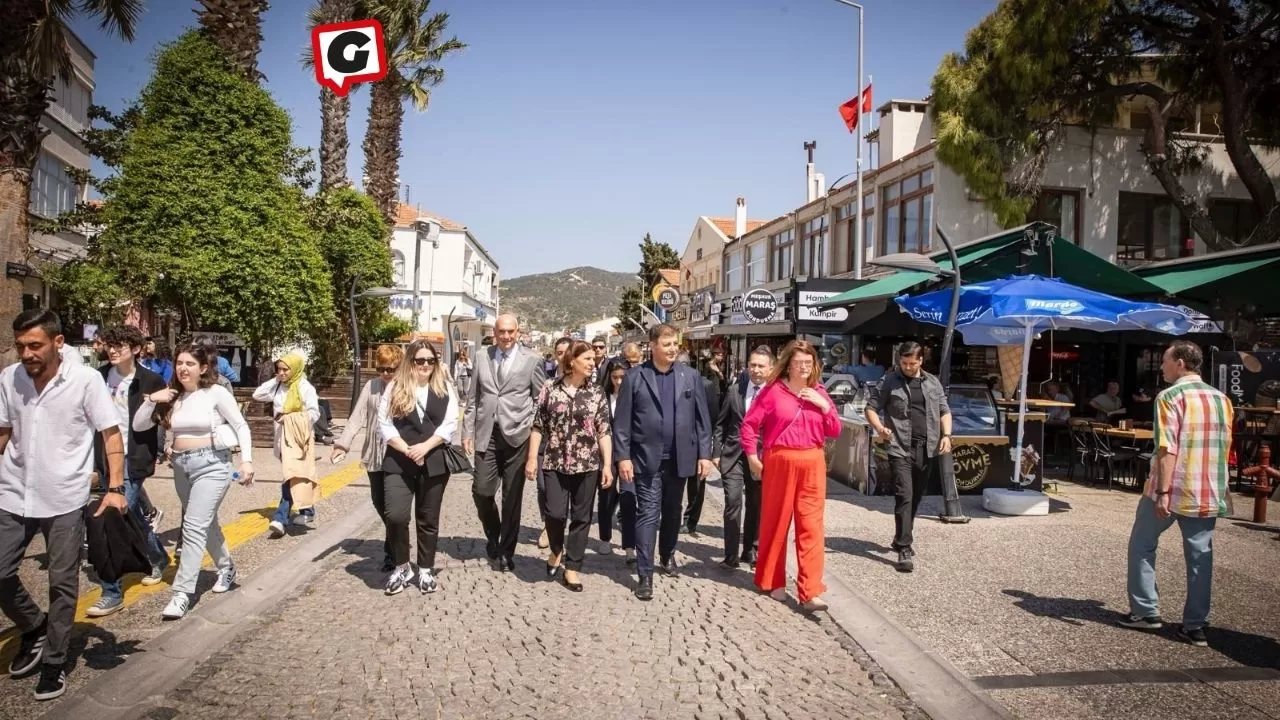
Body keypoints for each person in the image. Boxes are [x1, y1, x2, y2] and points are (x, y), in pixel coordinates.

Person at [0, 309, 127, 700]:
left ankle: (54, 662)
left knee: (62, 584)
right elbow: (4, 432)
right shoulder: (10, 378)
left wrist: (115, 487)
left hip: (65, 497)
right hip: (14, 490)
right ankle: (33, 626)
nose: (26, 354)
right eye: (21, 346)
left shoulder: (86, 381)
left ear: (57, 343)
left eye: (34, 345)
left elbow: (110, 435)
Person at [1122, 341, 1231, 647]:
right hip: (1208, 487)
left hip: (1174, 485)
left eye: (1166, 361)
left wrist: (1162, 491)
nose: (1161, 366)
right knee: (1200, 557)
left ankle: (1146, 612)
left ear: (1181, 363)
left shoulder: (1169, 397)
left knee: (1142, 545)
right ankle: (1195, 625)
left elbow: (1167, 448)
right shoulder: (1222, 398)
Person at [134, 343, 254, 621]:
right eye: (179, 363)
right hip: (181, 466)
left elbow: (240, 425)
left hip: (213, 464)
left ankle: (182, 592)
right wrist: (152, 399)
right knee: (206, 523)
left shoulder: (215, 393)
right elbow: (139, 425)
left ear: (203, 368)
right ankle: (227, 567)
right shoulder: (172, 396)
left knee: (193, 526)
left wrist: (246, 461)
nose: (183, 368)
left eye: (189, 363)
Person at [614, 324, 714, 601]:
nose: (672, 349)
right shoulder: (635, 377)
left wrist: (704, 454)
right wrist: (623, 456)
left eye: (675, 345)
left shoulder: (690, 376)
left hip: (680, 458)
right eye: (667, 344)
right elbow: (621, 422)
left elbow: (701, 419)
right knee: (648, 513)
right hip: (645, 459)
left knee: (673, 511)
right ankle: (645, 574)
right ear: (653, 345)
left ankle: (667, 553)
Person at [740, 340, 841, 612]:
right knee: (776, 522)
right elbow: (749, 426)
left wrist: (824, 405)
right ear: (788, 364)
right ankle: (774, 581)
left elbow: (834, 430)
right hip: (780, 459)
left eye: (809, 363)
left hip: (812, 461)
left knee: (811, 526)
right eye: (799, 363)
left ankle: (810, 590)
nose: (804, 367)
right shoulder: (773, 392)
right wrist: (752, 456)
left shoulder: (819, 391)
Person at [85, 325, 170, 619]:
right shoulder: (97, 377)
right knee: (131, 516)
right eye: (109, 345)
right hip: (103, 459)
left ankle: (111, 591)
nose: (112, 350)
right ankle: (158, 557)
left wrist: (155, 454)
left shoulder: (151, 379)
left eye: (119, 345)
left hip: (133, 460)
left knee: (112, 518)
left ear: (135, 349)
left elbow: (158, 421)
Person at [526, 340, 613, 592]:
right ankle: (556, 549)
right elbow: (538, 425)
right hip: (554, 461)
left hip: (587, 465)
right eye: (586, 358)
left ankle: (572, 568)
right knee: (554, 513)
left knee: (581, 518)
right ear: (571, 361)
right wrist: (532, 458)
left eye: (592, 359)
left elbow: (604, 431)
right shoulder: (550, 388)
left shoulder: (596, 392)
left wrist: (607, 465)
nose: (591, 362)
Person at [463, 314, 547, 572]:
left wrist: (531, 427)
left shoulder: (532, 360)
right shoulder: (481, 356)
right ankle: (494, 535)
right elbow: (474, 395)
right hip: (486, 433)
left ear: (518, 332)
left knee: (512, 497)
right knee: (482, 491)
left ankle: (506, 551)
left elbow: (540, 400)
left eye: (511, 332)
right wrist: (467, 431)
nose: (506, 336)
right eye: (502, 332)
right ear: (495, 333)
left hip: (517, 437)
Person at [377, 341, 458, 595]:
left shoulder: (445, 388)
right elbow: (384, 424)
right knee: (395, 516)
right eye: (419, 360)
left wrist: (425, 447)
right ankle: (402, 566)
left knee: (428, 519)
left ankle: (425, 569)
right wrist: (407, 449)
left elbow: (450, 424)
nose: (425, 366)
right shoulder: (395, 388)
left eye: (430, 361)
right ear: (410, 362)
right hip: (399, 461)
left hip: (433, 460)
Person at [866, 341, 952, 574]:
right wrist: (880, 428)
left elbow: (944, 410)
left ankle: (900, 536)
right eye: (904, 363)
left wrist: (947, 435)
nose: (908, 367)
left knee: (916, 496)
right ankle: (904, 547)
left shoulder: (932, 382)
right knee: (905, 494)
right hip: (899, 446)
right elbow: (871, 408)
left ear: (921, 361)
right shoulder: (889, 381)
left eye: (912, 363)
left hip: (927, 447)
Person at [332, 344, 402, 572]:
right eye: (381, 369)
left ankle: (393, 551)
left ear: (399, 368)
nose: (385, 374)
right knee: (378, 501)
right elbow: (356, 417)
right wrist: (343, 444)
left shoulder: (406, 387)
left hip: (398, 455)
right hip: (374, 453)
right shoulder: (371, 387)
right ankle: (397, 539)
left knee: (393, 508)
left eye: (390, 369)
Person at [715, 346, 773, 569]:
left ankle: (751, 549)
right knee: (732, 502)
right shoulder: (735, 389)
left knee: (756, 505)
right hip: (734, 456)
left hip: (759, 458)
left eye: (760, 366)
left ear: (770, 368)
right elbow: (721, 423)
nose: (756, 370)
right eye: (752, 365)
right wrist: (716, 453)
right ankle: (731, 554)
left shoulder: (774, 393)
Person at [256, 353, 321, 536]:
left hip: (299, 439)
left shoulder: (305, 387)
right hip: (281, 438)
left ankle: (280, 518)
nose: (282, 373)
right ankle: (307, 510)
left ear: (296, 369)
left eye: (286, 369)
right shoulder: (278, 386)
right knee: (297, 475)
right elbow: (257, 394)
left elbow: (314, 413)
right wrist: (274, 380)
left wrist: (291, 419)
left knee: (290, 476)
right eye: (279, 369)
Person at [595, 357, 636, 561]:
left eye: (622, 377)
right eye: (614, 377)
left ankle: (629, 545)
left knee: (629, 498)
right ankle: (605, 538)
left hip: (629, 455)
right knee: (606, 497)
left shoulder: (635, 396)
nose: (619, 382)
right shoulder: (602, 397)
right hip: (607, 455)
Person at [536, 336, 574, 550]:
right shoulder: (545, 378)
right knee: (543, 487)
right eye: (559, 353)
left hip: (572, 446)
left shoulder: (584, 379)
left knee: (568, 489)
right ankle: (548, 524)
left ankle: (561, 523)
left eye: (567, 352)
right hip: (545, 443)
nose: (563, 357)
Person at [683, 372, 722, 537]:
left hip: (698, 442)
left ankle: (690, 521)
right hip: (675, 443)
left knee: (697, 485)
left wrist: (711, 447)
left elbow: (712, 417)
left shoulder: (705, 384)